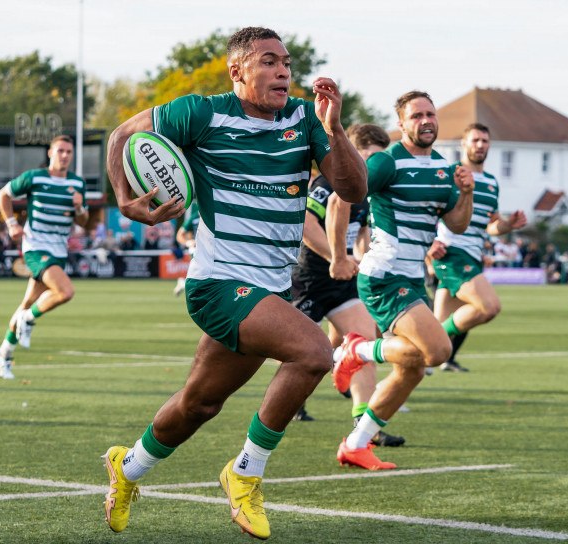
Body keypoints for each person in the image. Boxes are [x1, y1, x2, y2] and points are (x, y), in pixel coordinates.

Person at [101, 27, 366, 540]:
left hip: (269, 291)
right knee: (314, 352)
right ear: (237, 70)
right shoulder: (200, 112)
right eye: (269, 61)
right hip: (218, 284)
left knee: (198, 404)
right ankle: (245, 472)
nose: (283, 71)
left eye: (287, 62)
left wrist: (333, 130)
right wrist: (123, 196)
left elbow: (352, 188)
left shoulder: (306, 120)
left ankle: (127, 469)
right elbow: (121, 137)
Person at [330, 90, 474, 470]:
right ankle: (356, 351)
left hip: (414, 279)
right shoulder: (386, 161)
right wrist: (340, 255)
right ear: (402, 124)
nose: (426, 121)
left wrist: (467, 193)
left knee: (412, 369)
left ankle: (356, 444)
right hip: (384, 274)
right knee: (438, 352)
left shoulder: (444, 168)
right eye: (417, 116)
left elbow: (456, 224)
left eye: (430, 114)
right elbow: (343, 198)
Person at [290, 123, 404, 445]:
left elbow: (362, 232)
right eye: (370, 156)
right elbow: (305, 225)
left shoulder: (366, 188)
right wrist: (335, 257)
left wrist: (362, 257)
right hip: (309, 278)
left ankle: (364, 427)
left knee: (363, 340)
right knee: (303, 352)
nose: (375, 165)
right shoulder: (328, 182)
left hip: (343, 279)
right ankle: (293, 398)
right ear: (353, 151)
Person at [427, 123, 527, 372]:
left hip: (472, 254)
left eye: (485, 141)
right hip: (451, 253)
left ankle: (396, 367)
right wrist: (430, 242)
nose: (480, 145)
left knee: (433, 344)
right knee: (489, 307)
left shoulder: (492, 183)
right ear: (463, 144)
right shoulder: (450, 174)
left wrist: (508, 225)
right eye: (475, 140)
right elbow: (427, 212)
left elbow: (491, 225)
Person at [0, 135, 89, 379]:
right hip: (36, 247)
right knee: (65, 292)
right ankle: (28, 319)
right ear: (50, 153)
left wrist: (79, 208)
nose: (65, 155)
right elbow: (3, 195)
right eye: (60, 151)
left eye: (69, 151)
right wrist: (12, 224)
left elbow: (83, 222)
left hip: (59, 249)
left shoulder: (77, 183)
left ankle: (4, 352)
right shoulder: (34, 177)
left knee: (26, 302)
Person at [172, 202, 199, 296]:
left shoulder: (213, 216)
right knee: (198, 275)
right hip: (197, 250)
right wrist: (189, 242)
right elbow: (179, 235)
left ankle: (183, 282)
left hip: (211, 249)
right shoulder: (194, 218)